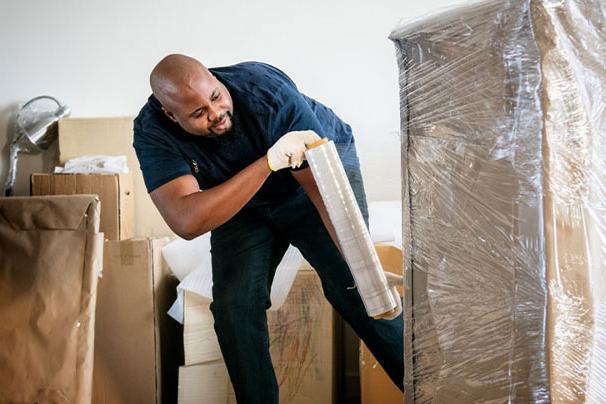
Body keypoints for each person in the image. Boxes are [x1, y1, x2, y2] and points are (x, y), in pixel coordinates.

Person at [133, 54, 403, 403]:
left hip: (312, 178)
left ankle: (432, 395)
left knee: (356, 288)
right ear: (171, 114)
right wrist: (266, 163)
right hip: (243, 194)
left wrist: (362, 264)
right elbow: (186, 221)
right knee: (234, 308)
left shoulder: (265, 92)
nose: (215, 113)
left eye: (215, 97)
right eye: (198, 114)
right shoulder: (152, 131)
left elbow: (319, 189)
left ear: (215, 79)